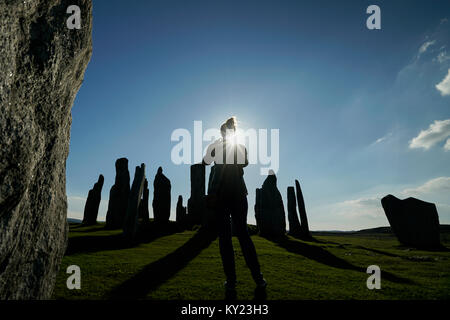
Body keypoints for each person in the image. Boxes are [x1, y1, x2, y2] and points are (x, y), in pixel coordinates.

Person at [202, 116, 267, 292]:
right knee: (243, 235)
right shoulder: (240, 147)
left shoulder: (218, 146)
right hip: (239, 194)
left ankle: (231, 280)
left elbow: (205, 162)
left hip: (221, 195)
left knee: (225, 238)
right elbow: (245, 162)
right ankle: (258, 278)